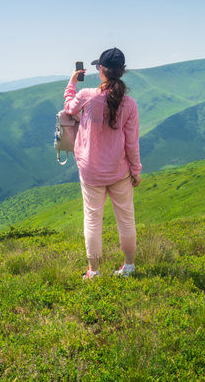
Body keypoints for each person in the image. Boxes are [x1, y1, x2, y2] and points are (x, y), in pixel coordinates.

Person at [64, 47, 142, 280]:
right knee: (126, 217)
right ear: (122, 71)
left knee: (92, 218)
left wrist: (71, 81)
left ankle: (94, 271)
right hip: (119, 170)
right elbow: (132, 143)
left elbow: (69, 108)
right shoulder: (130, 104)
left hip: (91, 171)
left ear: (101, 71)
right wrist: (136, 171)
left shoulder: (87, 95)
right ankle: (128, 266)